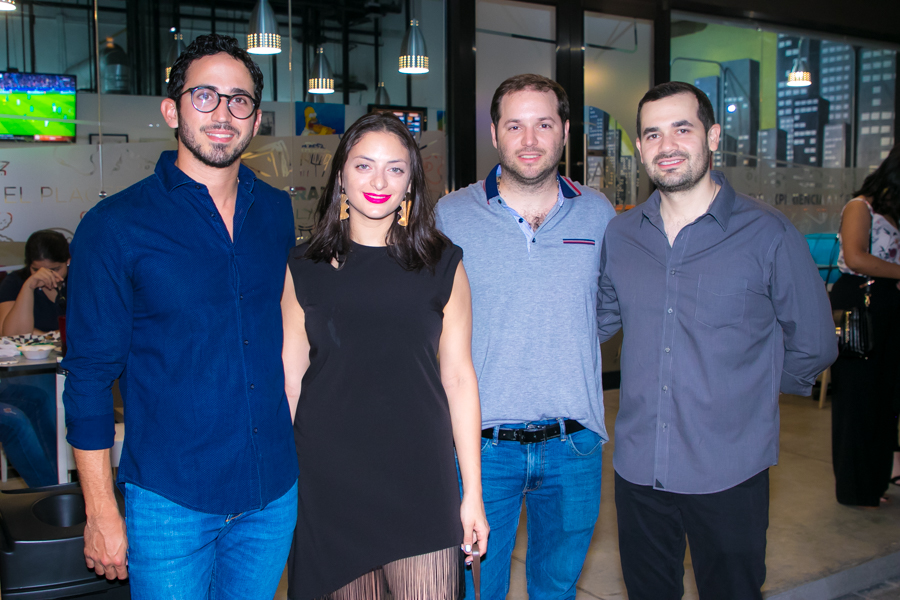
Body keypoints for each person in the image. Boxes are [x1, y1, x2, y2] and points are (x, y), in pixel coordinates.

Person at [61, 34, 298, 599]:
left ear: (256, 119)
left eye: (239, 100)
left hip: (271, 493)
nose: (223, 113)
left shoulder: (276, 212)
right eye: (205, 96)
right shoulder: (115, 226)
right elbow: (88, 377)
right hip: (171, 502)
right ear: (172, 110)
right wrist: (100, 510)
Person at [596, 81, 837, 600]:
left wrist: (753, 398)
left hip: (730, 470)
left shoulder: (768, 233)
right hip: (639, 468)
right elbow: (598, 318)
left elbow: (815, 341)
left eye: (682, 129)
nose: (667, 145)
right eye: (653, 134)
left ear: (712, 136)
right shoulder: (622, 236)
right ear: (640, 148)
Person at [282, 111, 488, 600]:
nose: (379, 182)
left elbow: (459, 378)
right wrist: (289, 485)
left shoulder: (443, 263)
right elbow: (292, 378)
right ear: (341, 175)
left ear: (411, 181)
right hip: (329, 480)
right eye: (364, 166)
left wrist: (473, 493)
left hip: (421, 478)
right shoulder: (303, 266)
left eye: (395, 169)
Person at [435, 74, 615, 599]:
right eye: (515, 125)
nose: (530, 140)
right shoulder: (451, 216)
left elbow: (607, 307)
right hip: (482, 449)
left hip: (574, 446)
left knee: (558, 589)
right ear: (494, 133)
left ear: (565, 131)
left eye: (544, 124)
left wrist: (561, 334)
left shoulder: (599, 213)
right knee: (475, 591)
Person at [830, 144, 900, 507]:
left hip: (888, 306)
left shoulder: (892, 213)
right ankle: (855, 488)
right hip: (862, 304)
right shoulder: (860, 207)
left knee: (884, 401)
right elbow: (855, 257)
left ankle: (874, 483)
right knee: (858, 399)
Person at [0, 229, 69, 335]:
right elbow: (11, 334)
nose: (46, 275)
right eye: (36, 270)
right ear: (28, 265)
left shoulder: (79, 279)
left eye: (54, 269)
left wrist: (41, 335)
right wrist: (28, 287)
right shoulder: (14, 282)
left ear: (68, 261)